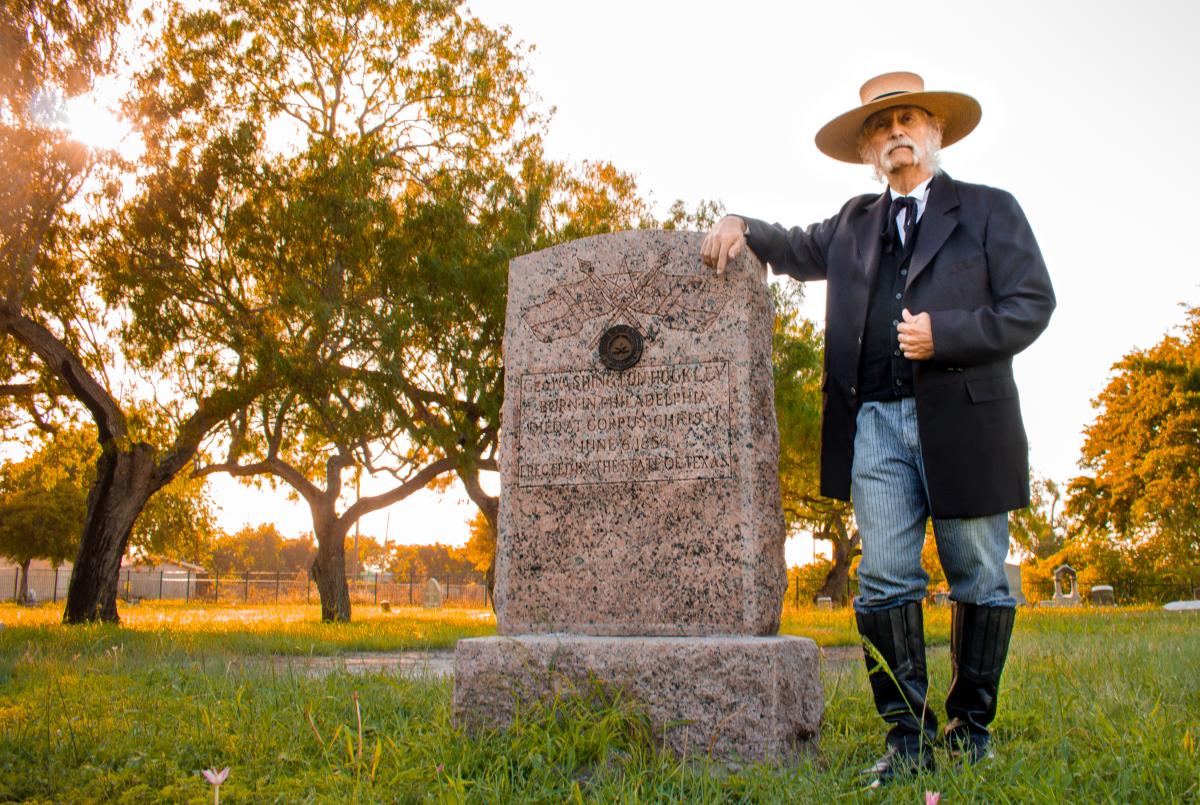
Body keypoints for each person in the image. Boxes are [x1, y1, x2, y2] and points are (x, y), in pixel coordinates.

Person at [701, 71, 1055, 785]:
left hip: (966, 419)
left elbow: (1032, 303)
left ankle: (970, 728)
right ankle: (907, 736)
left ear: (936, 133)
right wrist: (741, 222)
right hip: (875, 426)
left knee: (979, 573)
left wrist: (946, 333)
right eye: (881, 125)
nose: (896, 131)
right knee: (885, 574)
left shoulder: (989, 210)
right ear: (867, 146)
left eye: (910, 119)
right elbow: (793, 246)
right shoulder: (853, 222)